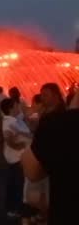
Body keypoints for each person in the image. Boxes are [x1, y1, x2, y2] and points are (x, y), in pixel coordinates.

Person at [23, 83, 79, 225]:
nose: (43, 99)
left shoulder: (57, 121)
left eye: (46, 95)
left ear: (56, 96)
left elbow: (32, 171)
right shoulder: (56, 118)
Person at [1, 98, 30, 219]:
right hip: (17, 159)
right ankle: (15, 209)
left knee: (14, 183)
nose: (18, 106)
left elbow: (27, 114)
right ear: (10, 108)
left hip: (19, 158)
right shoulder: (9, 122)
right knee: (17, 184)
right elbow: (8, 138)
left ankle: (13, 208)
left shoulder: (15, 119)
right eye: (16, 105)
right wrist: (20, 146)